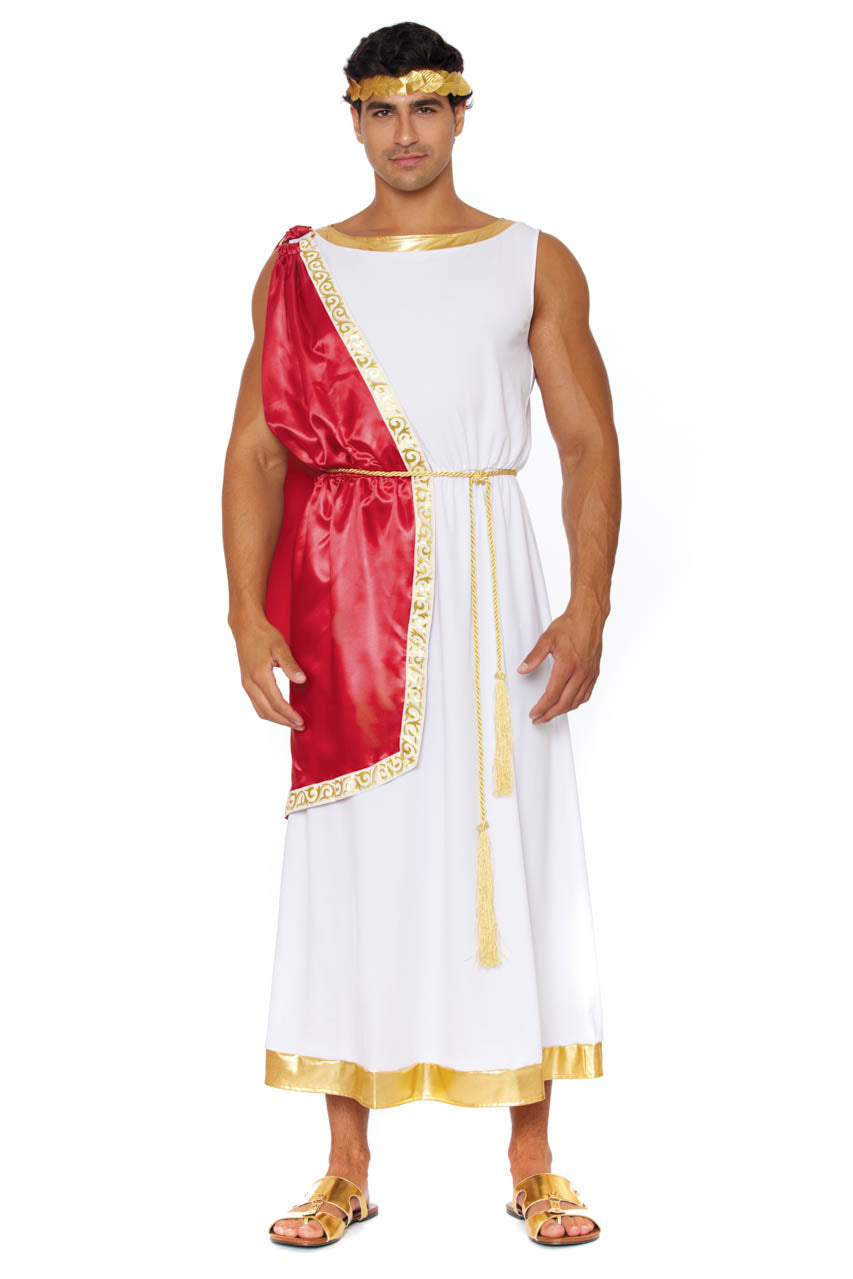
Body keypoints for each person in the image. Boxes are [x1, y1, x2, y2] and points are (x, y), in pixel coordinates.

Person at [222, 20, 621, 1250]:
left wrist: (589, 600)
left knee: (511, 840)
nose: (405, 132)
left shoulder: (530, 259)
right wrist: (245, 609)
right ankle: (344, 1165)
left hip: (491, 583)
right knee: (352, 852)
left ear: (459, 113)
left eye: (426, 106)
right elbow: (257, 451)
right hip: (342, 588)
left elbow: (587, 442)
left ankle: (534, 1160)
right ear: (352, 119)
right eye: (382, 109)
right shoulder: (300, 269)